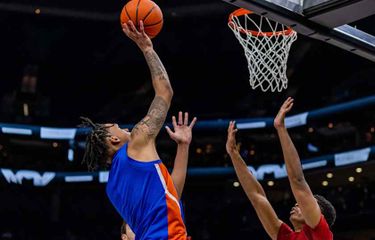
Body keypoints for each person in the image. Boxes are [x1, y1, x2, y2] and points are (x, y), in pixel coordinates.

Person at [80, 20, 196, 239]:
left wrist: (183, 147)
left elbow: (171, 194)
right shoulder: (136, 141)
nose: (125, 128)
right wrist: (147, 48)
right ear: (113, 139)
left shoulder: (113, 189)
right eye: (118, 127)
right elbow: (165, 93)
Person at [225, 97, 336, 240]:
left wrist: (281, 128)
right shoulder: (286, 236)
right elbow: (257, 197)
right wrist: (233, 153)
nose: (298, 203)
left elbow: (298, 181)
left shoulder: (321, 235)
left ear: (321, 217)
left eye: (310, 202)